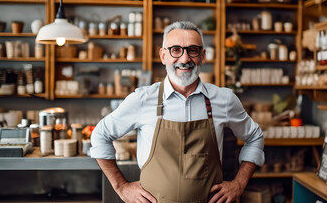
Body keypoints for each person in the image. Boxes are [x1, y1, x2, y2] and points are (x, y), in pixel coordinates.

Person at [90, 21, 264, 203]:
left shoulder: (224, 100)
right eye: (175, 50)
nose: (184, 59)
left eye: (193, 50)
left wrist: (239, 184)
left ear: (203, 56)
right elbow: (100, 135)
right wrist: (121, 187)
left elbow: (255, 137)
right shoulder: (142, 99)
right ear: (163, 56)